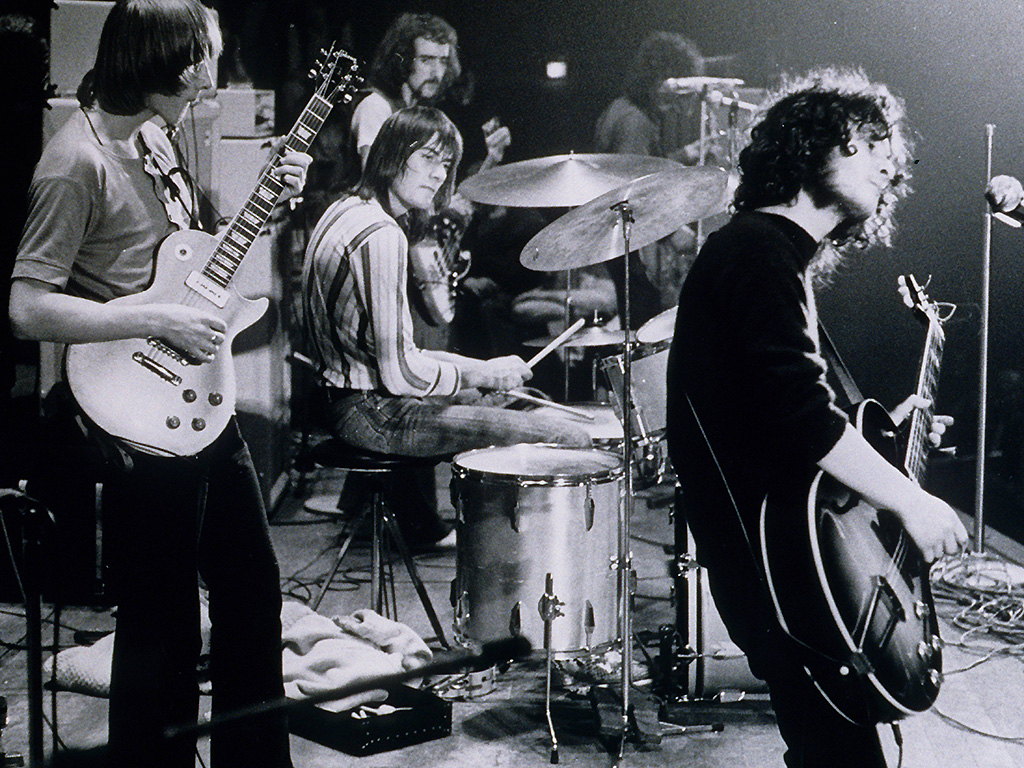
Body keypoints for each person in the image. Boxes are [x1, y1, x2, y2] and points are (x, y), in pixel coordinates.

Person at [8, 2, 311, 766]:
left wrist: (269, 200)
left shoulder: (154, 134)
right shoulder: (74, 162)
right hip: (133, 410)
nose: (211, 79)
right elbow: (26, 306)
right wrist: (151, 318)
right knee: (161, 623)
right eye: (199, 63)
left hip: (197, 403)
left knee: (252, 594)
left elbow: (190, 252)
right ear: (157, 64)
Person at [665, 68, 968, 767]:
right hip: (775, 566)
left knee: (831, 748)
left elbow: (779, 410)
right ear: (808, 149)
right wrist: (911, 501)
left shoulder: (773, 254)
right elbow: (801, 417)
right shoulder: (757, 250)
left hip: (788, 556)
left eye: (889, 152)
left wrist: (882, 431)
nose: (888, 160)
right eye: (866, 142)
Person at [301, 106, 590, 481]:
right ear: (391, 154)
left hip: (345, 402)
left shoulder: (345, 208)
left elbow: (404, 355)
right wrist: (480, 374)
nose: (439, 175)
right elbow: (402, 374)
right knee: (567, 435)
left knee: (521, 399)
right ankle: (501, 538)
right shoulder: (380, 234)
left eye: (446, 163)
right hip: (373, 414)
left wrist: (486, 370)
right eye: (428, 158)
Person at [595, 31, 705, 326]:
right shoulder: (636, 123)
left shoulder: (622, 109)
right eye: (674, 87)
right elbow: (632, 193)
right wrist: (675, 233)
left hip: (613, 244)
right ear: (659, 81)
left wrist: (682, 155)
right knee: (645, 323)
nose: (679, 100)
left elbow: (632, 170)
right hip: (624, 246)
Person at [351, 12, 510, 173]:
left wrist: (492, 158)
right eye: (426, 60)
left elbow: (429, 192)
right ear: (403, 60)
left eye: (443, 61)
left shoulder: (422, 114)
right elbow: (377, 185)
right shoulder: (375, 107)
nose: (437, 74)